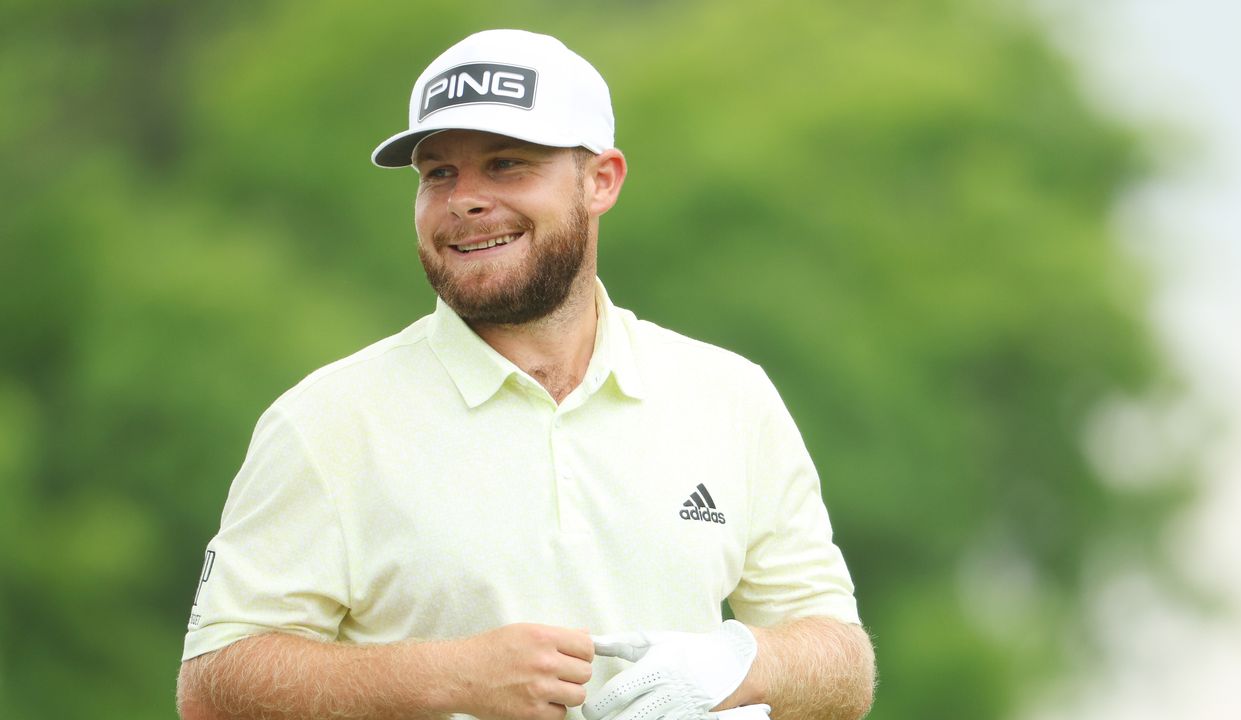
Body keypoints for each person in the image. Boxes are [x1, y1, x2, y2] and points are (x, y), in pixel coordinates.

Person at [176, 29, 875, 720]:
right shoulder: (327, 420)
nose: (464, 199)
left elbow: (842, 665)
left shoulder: (730, 396)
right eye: (437, 173)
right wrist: (450, 678)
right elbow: (213, 689)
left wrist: (736, 669)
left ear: (601, 180)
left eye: (507, 164)